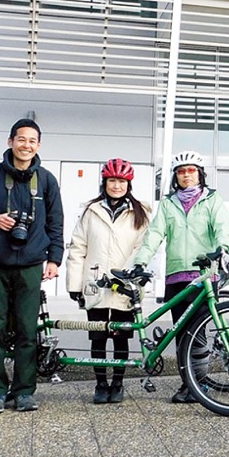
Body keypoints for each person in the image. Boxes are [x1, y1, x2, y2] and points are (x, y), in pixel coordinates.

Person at [0, 118, 64, 415]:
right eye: (21, 139)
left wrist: (54, 258)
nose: (26, 145)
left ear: (38, 145)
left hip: (31, 264)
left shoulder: (45, 180)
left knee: (26, 330)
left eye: (32, 141)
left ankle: (24, 392)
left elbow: (56, 222)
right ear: (10, 141)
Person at [134, 152, 229, 403]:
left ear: (200, 173)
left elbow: (222, 227)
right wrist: (140, 262)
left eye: (191, 170)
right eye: (181, 171)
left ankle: (198, 385)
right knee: (181, 333)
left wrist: (223, 249)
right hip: (176, 277)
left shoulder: (212, 199)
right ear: (175, 177)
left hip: (203, 276)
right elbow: (155, 234)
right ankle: (186, 383)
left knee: (197, 333)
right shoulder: (168, 204)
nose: (186, 175)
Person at [66, 158, 151, 404]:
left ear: (129, 184)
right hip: (95, 283)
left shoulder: (140, 213)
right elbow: (78, 247)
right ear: (104, 182)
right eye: (112, 181)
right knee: (98, 336)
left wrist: (133, 275)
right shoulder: (90, 211)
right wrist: (74, 284)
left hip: (125, 285)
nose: (116, 186)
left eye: (121, 181)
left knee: (122, 336)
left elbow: (143, 247)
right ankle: (100, 383)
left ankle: (118, 383)